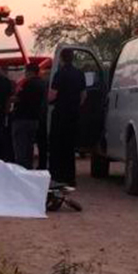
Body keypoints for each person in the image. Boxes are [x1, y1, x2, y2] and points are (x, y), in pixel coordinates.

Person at [48, 47, 86, 186]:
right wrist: (76, 106)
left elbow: (52, 95)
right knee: (70, 148)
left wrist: (49, 102)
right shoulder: (79, 74)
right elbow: (83, 95)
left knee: (57, 146)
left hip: (60, 114)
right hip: (73, 114)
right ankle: (70, 178)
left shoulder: (59, 74)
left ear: (62, 58)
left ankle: (57, 176)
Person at [10, 62, 46, 169]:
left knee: (21, 149)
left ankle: (22, 171)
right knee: (29, 148)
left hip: (22, 119)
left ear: (29, 72)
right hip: (34, 119)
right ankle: (29, 169)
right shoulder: (42, 84)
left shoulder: (28, 84)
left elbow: (18, 98)